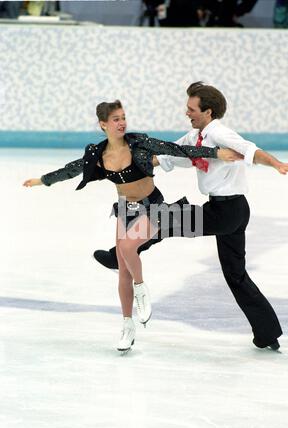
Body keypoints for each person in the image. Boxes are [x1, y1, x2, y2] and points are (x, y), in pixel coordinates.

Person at [23, 99, 240, 353]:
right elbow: (71, 170)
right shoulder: (98, 155)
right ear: (103, 124)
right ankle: (128, 325)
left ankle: (141, 289)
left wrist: (215, 153)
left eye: (123, 117)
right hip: (127, 209)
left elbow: (177, 150)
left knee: (126, 249)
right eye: (116, 119)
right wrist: (42, 180)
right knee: (123, 269)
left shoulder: (139, 142)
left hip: (153, 207)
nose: (122, 123)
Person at [93, 84, 288, 352]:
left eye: (191, 109)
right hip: (231, 211)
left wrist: (276, 164)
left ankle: (117, 255)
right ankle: (267, 333)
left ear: (207, 111)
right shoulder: (195, 137)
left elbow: (250, 150)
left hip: (226, 212)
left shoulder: (221, 134)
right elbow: (168, 154)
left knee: (163, 218)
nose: (186, 112)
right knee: (235, 276)